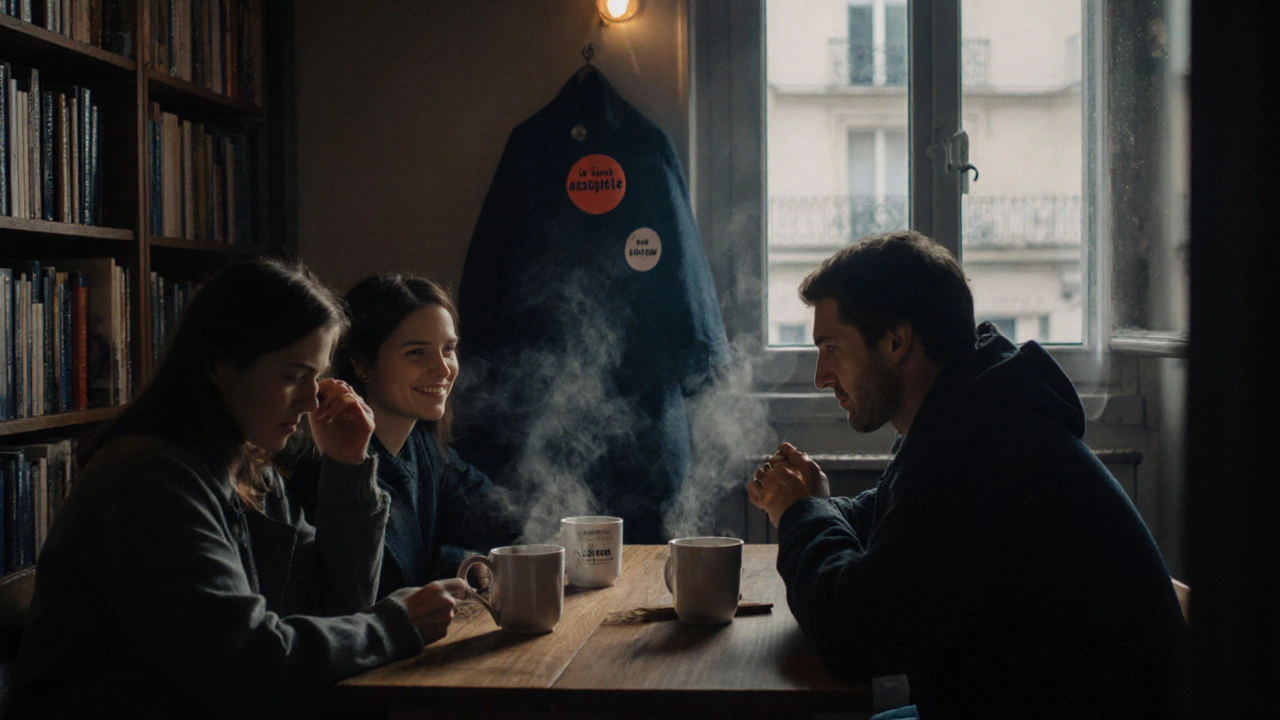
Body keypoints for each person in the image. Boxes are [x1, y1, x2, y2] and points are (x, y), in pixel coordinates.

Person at [747, 231, 1185, 719]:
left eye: (832, 347)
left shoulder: (979, 453)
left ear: (896, 340)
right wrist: (814, 501)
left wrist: (801, 512)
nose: (821, 376)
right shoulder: (967, 417)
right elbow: (890, 528)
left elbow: (853, 638)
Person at [11, 259, 467, 720]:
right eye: (293, 376)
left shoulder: (249, 470)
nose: (312, 401)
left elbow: (337, 607)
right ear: (220, 367)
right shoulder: (149, 479)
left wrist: (347, 468)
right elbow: (248, 665)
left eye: (317, 377)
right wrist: (394, 626)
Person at [287, 274, 520, 597]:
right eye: (417, 353)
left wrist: (461, 560)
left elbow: (504, 520)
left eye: (448, 349)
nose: (442, 368)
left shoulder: (422, 446)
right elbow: (360, 594)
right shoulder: (329, 469)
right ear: (361, 364)